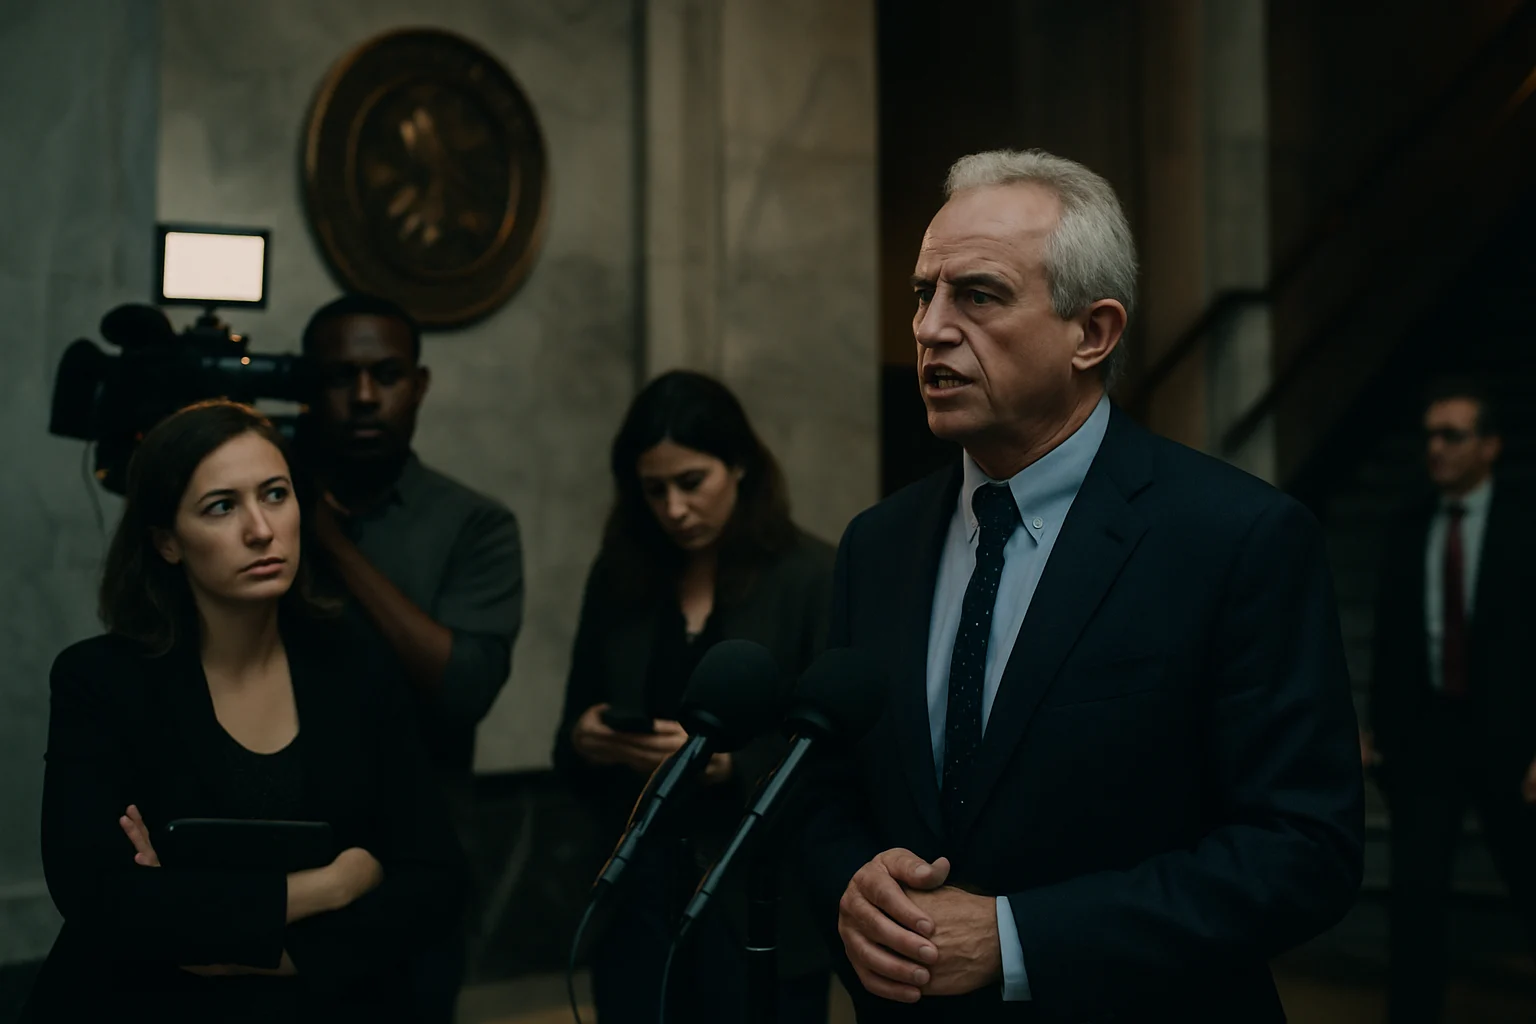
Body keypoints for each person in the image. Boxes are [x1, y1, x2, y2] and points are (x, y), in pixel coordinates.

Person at [798, 149, 1364, 1021]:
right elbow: (828, 794)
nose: (930, 328)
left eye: (977, 295)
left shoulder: (1236, 538)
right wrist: (853, 887)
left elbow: (1303, 852)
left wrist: (1019, 938)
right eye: (923, 293)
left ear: (1092, 332)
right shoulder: (878, 545)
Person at [23, 401, 463, 1023]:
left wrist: (238, 936)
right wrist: (330, 886)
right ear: (167, 541)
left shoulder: (357, 668)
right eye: (222, 506)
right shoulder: (99, 681)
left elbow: (433, 878)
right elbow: (100, 899)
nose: (261, 528)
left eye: (276, 495)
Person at [553, 370, 835, 1023]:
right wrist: (588, 736)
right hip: (638, 897)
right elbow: (571, 724)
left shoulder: (809, 577)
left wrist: (728, 762)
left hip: (757, 903)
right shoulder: (622, 575)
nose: (675, 509)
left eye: (691, 483)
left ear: (737, 465)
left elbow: (834, 750)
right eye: (654, 491)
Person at [298, 294, 524, 1017]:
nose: (364, 397)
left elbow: (463, 688)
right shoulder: (262, 512)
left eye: (387, 374)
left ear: (419, 385)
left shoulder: (475, 524)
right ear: (309, 387)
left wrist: (329, 543)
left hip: (416, 868)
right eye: (340, 377)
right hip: (283, 854)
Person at [1365, 380, 1536, 1023]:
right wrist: (1381, 732)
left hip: (1512, 738)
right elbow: (1391, 640)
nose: (1434, 449)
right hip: (1428, 736)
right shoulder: (1409, 527)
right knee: (1415, 896)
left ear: (1490, 446)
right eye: (1429, 435)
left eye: (1452, 435)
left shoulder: (1524, 524)